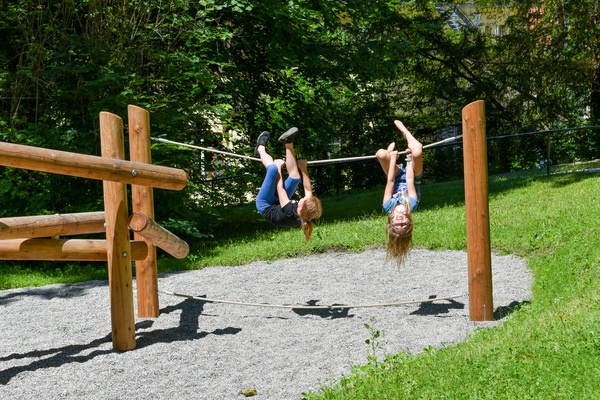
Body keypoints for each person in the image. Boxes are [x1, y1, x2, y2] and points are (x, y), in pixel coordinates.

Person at [254, 127, 322, 241]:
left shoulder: (290, 212)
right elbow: (308, 189)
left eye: (304, 200)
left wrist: (279, 167)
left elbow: (280, 188)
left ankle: (260, 148)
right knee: (295, 178)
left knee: (273, 169)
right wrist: (303, 168)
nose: (304, 198)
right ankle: (288, 142)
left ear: (301, 207)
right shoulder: (307, 209)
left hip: (265, 205)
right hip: (277, 203)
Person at [376, 120, 423, 267]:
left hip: (395, 176)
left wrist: (392, 162)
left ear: (391, 223)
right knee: (417, 150)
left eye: (398, 224)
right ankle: (405, 131)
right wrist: (409, 159)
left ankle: (389, 153)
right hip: (414, 174)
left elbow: (390, 182)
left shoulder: (387, 206)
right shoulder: (412, 205)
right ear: (410, 222)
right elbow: (410, 180)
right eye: (404, 224)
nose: (401, 220)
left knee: (381, 154)